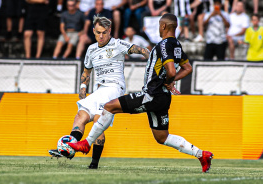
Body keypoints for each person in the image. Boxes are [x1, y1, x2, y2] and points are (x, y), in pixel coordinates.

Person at [68, 13, 214, 173]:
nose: (159, 29)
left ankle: (86, 144)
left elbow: (171, 70)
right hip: (164, 97)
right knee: (162, 137)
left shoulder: (164, 44)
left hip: (152, 94)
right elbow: (188, 68)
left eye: (159, 25)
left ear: (163, 26)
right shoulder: (177, 45)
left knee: (109, 107)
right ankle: (202, 155)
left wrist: (169, 79)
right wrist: (170, 81)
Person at [49, 15, 150, 169]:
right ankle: (69, 148)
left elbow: (141, 49)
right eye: (98, 32)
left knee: (98, 121)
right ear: (93, 32)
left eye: (104, 32)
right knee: (80, 116)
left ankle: (94, 163)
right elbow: (86, 72)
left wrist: (152, 60)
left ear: (109, 31)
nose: (101, 36)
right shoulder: (91, 49)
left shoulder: (117, 44)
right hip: (100, 89)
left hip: (115, 87)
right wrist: (83, 88)